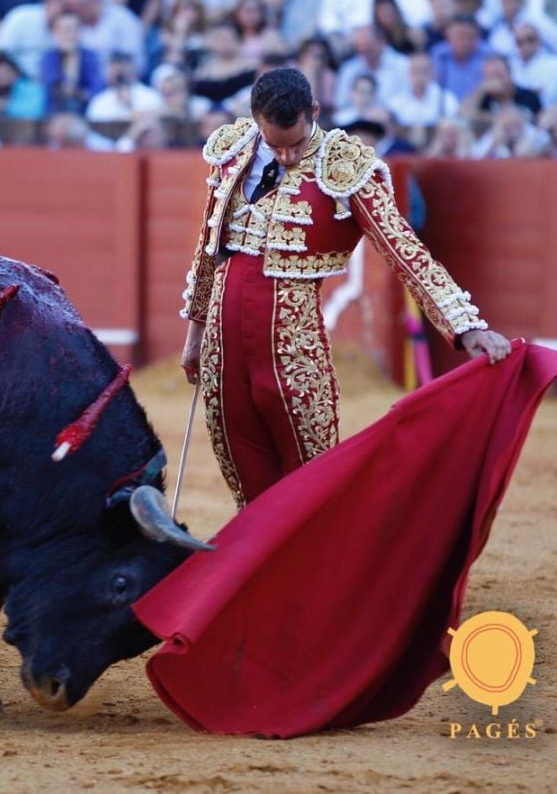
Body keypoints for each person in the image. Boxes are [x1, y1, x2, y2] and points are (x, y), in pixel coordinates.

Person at [178, 67, 510, 508]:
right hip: (223, 343)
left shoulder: (345, 165)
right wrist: (196, 334)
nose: (287, 157)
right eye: (275, 145)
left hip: (291, 345)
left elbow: (403, 248)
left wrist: (466, 326)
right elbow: (208, 248)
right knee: (246, 481)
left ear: (314, 111)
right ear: (256, 119)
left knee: (313, 481)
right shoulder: (233, 151)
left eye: (296, 143)